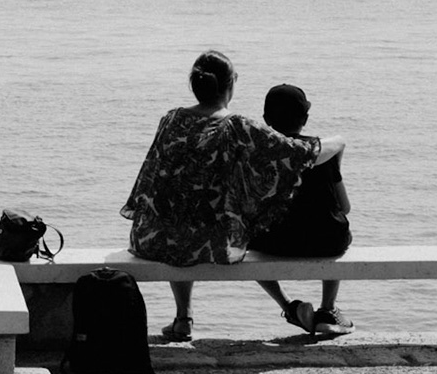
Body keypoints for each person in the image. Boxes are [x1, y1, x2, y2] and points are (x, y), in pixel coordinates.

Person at [121, 50, 344, 343]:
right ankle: (290, 307)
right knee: (217, 220)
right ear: (231, 84)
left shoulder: (171, 118)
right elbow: (299, 153)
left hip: (152, 236)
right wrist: (338, 142)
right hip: (210, 243)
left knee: (181, 213)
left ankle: (183, 317)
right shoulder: (237, 126)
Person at [249, 84, 355, 336]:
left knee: (246, 245)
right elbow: (345, 207)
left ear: (266, 120)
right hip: (326, 242)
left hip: (275, 243)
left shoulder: (260, 156)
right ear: (305, 119)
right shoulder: (322, 153)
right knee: (337, 228)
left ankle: (289, 306)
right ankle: (328, 309)